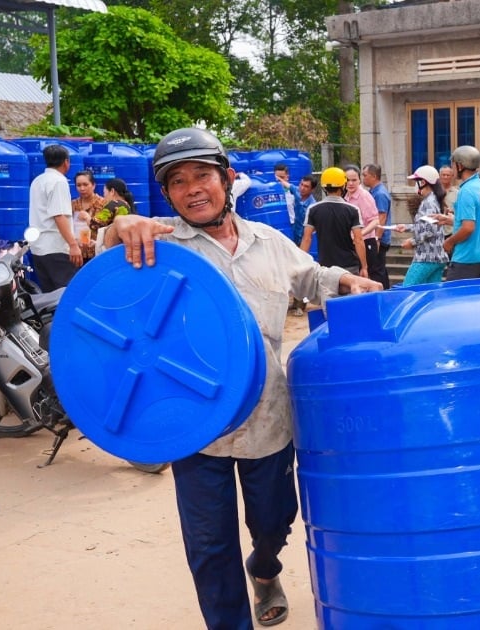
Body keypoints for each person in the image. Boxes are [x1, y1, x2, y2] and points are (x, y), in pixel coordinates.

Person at [101, 127, 381, 629]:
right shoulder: (159, 248)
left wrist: (345, 279)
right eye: (177, 182)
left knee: (274, 523)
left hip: (268, 416)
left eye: (202, 175)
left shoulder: (269, 242)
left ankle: (265, 566)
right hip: (196, 426)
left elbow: (310, 276)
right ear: (166, 195)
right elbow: (109, 265)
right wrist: (119, 226)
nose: (192, 189)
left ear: (227, 178)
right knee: (209, 546)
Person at [29, 145, 83, 291]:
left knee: (50, 296)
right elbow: (58, 215)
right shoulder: (59, 181)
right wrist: (73, 244)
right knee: (67, 294)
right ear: (66, 162)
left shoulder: (37, 181)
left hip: (38, 247)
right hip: (56, 247)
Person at [442, 146, 480, 280]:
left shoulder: (466, 191)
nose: (453, 169)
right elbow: (479, 220)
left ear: (460, 166)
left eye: (453, 165)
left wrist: (449, 241)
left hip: (467, 257)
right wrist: (452, 220)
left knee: (453, 298)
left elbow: (468, 228)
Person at [301, 167, 367, 277]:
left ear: (324, 187)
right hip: (349, 266)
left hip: (325, 267)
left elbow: (307, 239)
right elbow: (359, 240)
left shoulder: (313, 209)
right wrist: (364, 267)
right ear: (343, 186)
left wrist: (301, 263)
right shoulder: (353, 210)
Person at [395, 164, 450, 285]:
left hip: (426, 257)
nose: (415, 185)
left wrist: (412, 242)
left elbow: (430, 230)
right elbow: (426, 225)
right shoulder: (433, 200)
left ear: (423, 182)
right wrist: (407, 227)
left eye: (416, 181)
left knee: (408, 289)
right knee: (431, 294)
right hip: (437, 257)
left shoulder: (428, 202)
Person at [343, 166, 383, 284]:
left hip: (366, 241)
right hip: (353, 242)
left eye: (354, 180)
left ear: (359, 180)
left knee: (369, 276)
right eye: (347, 180)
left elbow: (375, 220)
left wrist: (360, 234)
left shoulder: (364, 196)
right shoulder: (346, 196)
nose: (350, 183)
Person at [361, 164, 392, 289]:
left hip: (378, 238)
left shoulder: (380, 194)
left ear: (374, 176)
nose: (363, 178)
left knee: (377, 270)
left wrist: (377, 239)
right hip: (375, 237)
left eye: (365, 175)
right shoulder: (373, 192)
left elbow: (381, 217)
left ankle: (382, 293)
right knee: (379, 268)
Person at [71, 169, 105, 259]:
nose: (82, 188)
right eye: (78, 185)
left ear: (93, 185)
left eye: (85, 185)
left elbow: (107, 227)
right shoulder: (73, 204)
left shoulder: (103, 204)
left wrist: (88, 218)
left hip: (97, 253)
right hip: (77, 254)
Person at [292, 175, 316, 244]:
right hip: (292, 235)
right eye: (301, 184)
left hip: (302, 240)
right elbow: (288, 185)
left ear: (312, 189)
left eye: (306, 186)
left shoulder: (312, 206)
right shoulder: (297, 192)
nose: (302, 188)